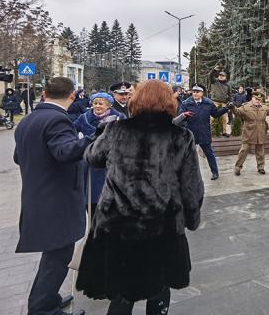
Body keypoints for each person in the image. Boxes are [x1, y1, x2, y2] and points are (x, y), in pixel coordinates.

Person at [76, 80, 204, 315]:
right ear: (170, 103)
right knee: (159, 287)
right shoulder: (181, 137)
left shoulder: (116, 130)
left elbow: (92, 158)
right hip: (162, 225)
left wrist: (102, 134)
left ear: (136, 101)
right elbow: (192, 186)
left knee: (122, 292)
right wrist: (192, 218)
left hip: (117, 224)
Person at [14, 77, 93, 315]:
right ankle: (42, 309)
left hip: (39, 198)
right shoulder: (58, 119)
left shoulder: (29, 120)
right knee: (58, 258)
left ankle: (48, 300)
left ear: (45, 93)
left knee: (53, 256)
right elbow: (66, 152)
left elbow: (19, 157)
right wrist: (92, 138)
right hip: (56, 201)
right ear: (73, 96)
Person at [74, 92, 126, 211]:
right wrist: (77, 144)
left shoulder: (119, 117)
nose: (97, 106)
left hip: (111, 162)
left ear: (108, 105)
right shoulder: (85, 117)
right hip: (90, 162)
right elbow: (72, 129)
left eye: (101, 104)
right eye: (95, 103)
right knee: (91, 197)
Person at [176, 83, 230, 180]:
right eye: (193, 92)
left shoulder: (208, 103)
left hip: (204, 133)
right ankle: (186, 175)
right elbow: (180, 117)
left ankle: (215, 173)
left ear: (202, 93)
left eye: (197, 92)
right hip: (191, 134)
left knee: (209, 154)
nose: (195, 94)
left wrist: (226, 108)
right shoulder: (186, 103)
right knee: (188, 156)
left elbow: (216, 114)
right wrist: (184, 116)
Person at [232, 91, 269, 175]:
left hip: (260, 132)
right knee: (244, 150)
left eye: (259, 99)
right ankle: (238, 167)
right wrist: (232, 108)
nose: (257, 100)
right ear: (252, 98)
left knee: (260, 151)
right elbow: (238, 113)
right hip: (249, 132)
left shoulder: (263, 107)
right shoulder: (246, 107)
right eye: (256, 98)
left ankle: (261, 167)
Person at [209, 66, 232, 137]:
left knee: (224, 118)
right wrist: (214, 70)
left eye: (223, 76)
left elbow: (230, 94)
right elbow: (210, 75)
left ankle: (224, 132)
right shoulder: (214, 81)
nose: (221, 76)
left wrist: (230, 101)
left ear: (225, 77)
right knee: (212, 118)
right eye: (220, 75)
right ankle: (210, 131)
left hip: (224, 103)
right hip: (214, 102)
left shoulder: (228, 85)